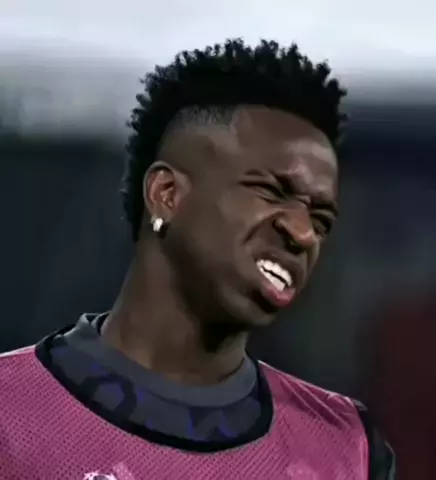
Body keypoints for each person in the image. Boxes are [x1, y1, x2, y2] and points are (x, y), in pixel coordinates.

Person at [0, 38, 395, 479]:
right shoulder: (10, 415)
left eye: (321, 220)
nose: (303, 234)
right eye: (270, 191)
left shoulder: (348, 451)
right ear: (167, 194)